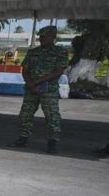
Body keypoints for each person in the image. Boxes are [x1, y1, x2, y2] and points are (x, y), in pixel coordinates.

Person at [10, 25, 67, 154]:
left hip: (49, 89)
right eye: (40, 36)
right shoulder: (33, 52)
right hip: (31, 89)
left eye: (45, 36)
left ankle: (52, 143)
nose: (41, 38)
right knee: (25, 114)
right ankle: (22, 139)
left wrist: (36, 82)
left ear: (53, 37)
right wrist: (30, 83)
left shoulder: (60, 52)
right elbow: (25, 69)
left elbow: (58, 72)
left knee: (52, 116)